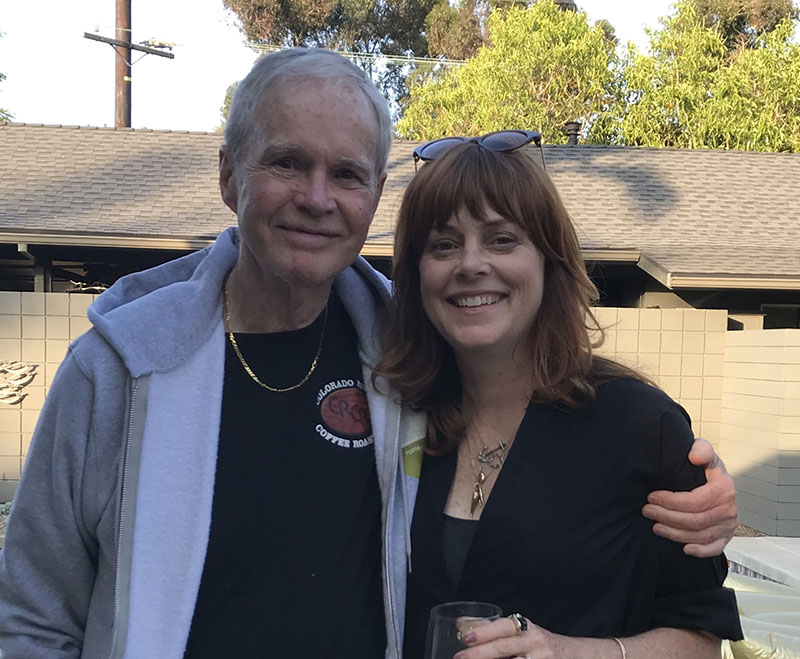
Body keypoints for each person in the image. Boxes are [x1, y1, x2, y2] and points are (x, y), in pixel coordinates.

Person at [0, 50, 735, 658]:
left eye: (347, 174)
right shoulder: (118, 372)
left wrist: (702, 482)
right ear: (229, 176)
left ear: (374, 194)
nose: (317, 198)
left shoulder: (407, 372)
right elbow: (32, 618)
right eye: (287, 162)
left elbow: (696, 620)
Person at [375, 134, 744, 658]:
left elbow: (701, 642)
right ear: (415, 273)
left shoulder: (639, 427)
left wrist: (566, 651)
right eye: (443, 244)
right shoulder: (393, 417)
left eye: (502, 240)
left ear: (550, 262)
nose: (471, 264)